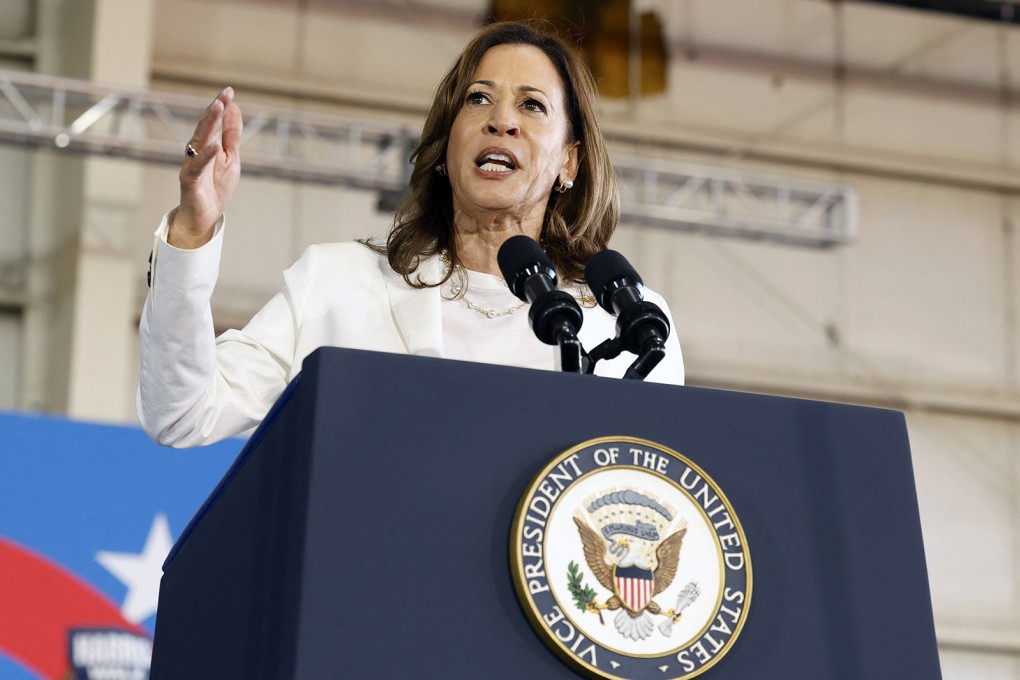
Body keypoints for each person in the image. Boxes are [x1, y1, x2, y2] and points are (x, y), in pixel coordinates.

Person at [138, 21, 684, 448]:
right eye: (478, 99)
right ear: (446, 146)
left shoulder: (628, 324)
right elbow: (182, 413)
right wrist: (192, 230)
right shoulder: (338, 284)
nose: (501, 121)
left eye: (532, 105)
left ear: (570, 161)